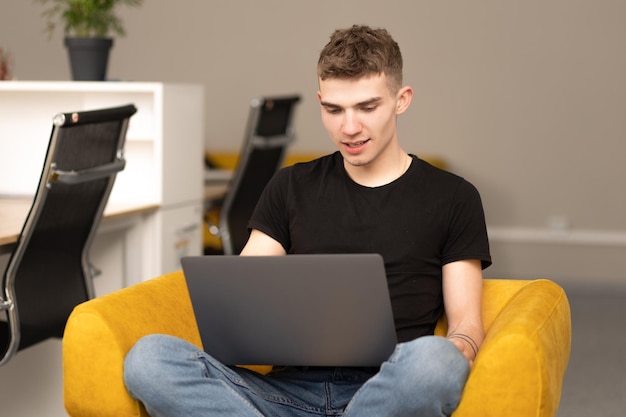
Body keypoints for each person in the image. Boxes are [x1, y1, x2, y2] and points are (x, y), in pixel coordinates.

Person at [124, 24, 491, 417]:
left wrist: (459, 349)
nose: (349, 128)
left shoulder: (454, 197)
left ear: (402, 100)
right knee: (149, 359)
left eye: (367, 107)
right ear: (320, 102)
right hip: (285, 393)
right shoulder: (290, 185)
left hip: (386, 391)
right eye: (333, 110)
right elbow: (245, 294)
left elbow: (466, 325)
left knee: (436, 362)